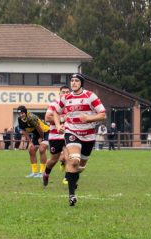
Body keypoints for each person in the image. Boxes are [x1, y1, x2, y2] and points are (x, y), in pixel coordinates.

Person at [54, 73, 106, 206]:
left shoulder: (90, 96)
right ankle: (72, 196)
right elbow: (56, 111)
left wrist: (89, 118)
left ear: (81, 83)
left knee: (80, 166)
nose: (74, 83)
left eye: (77, 81)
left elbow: (103, 114)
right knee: (74, 160)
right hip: (72, 132)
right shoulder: (66, 97)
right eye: (72, 81)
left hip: (88, 136)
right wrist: (59, 125)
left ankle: (73, 180)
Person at [43, 85, 70, 186]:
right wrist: (62, 119)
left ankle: (67, 178)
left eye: (67, 92)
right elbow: (47, 118)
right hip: (55, 135)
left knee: (69, 157)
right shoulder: (54, 104)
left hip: (68, 134)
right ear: (60, 94)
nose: (65, 94)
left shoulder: (72, 104)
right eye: (63, 92)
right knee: (54, 159)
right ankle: (46, 173)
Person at [17, 105, 50, 178]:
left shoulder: (31, 117)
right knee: (31, 150)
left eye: (22, 113)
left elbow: (39, 129)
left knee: (42, 150)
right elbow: (23, 131)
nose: (21, 115)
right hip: (36, 133)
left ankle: (42, 172)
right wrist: (30, 142)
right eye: (19, 114)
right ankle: (34, 172)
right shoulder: (20, 119)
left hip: (44, 132)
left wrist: (41, 138)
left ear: (25, 112)